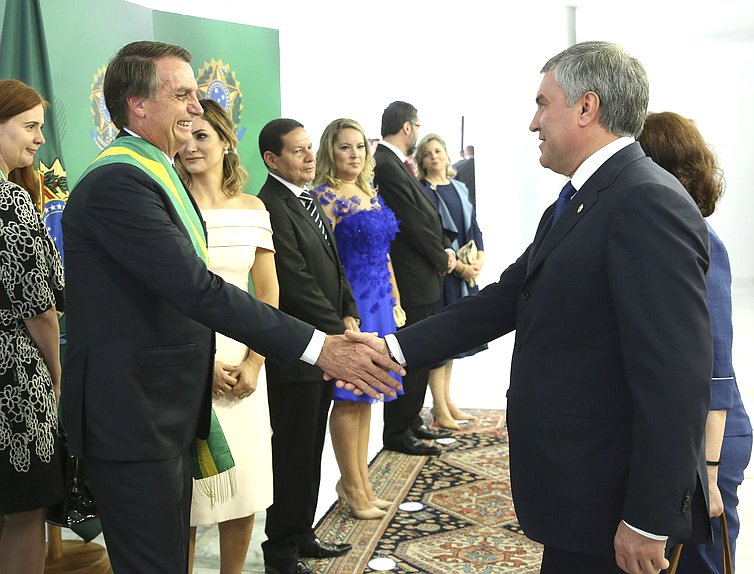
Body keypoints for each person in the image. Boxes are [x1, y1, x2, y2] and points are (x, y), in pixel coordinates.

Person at [347, 41, 713, 574]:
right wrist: (392, 348)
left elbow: (676, 377)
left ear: (586, 108)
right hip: (577, 491)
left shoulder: (644, 200)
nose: (533, 122)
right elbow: (501, 300)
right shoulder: (580, 199)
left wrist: (649, 517)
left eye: (543, 103)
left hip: (612, 503)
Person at [60, 41, 403, 574]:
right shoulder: (120, 183)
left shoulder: (152, 173)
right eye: (183, 95)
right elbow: (198, 289)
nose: (197, 107)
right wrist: (317, 348)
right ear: (139, 106)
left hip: (161, 406)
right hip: (134, 413)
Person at [638, 111, 752, 573]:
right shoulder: (658, 235)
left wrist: (706, 475)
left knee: (700, 562)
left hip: (711, 442)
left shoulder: (702, 242)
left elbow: (717, 369)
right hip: (685, 437)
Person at [257, 118, 366, 574]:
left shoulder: (306, 198)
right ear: (272, 159)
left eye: (308, 148)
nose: (308, 156)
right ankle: (280, 550)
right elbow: (295, 282)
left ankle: (302, 533)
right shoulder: (270, 205)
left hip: (325, 343)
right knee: (293, 452)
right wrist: (336, 331)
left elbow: (334, 267)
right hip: (299, 349)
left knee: (309, 450)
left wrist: (348, 311)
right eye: (298, 150)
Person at [174, 98, 275, 573]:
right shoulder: (169, 204)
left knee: (245, 487)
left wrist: (255, 361)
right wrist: (199, 364)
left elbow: (268, 295)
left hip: (244, 362)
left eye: (202, 136)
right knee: (188, 498)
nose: (191, 145)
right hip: (188, 357)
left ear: (225, 141)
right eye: (184, 134)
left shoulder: (254, 208)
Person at [311, 118, 403, 520]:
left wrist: (397, 297)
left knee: (369, 396)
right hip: (353, 305)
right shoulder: (323, 197)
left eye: (360, 148)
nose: (354, 155)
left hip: (381, 301)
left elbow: (384, 253)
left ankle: (360, 483)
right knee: (350, 396)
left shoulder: (369, 191)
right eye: (345, 147)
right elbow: (324, 262)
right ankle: (351, 485)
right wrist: (340, 314)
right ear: (330, 150)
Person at [0, 79, 64, 574]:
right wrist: (57, 372)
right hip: (14, 379)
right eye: (30, 126)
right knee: (23, 511)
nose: (40, 139)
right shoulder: (12, 203)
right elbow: (38, 307)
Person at [373, 101, 455, 456]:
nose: (419, 134)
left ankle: (412, 420)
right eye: (418, 127)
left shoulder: (398, 164)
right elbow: (412, 221)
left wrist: (444, 249)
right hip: (411, 275)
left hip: (423, 274)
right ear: (408, 127)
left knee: (420, 354)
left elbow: (426, 214)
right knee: (407, 355)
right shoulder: (387, 164)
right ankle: (397, 430)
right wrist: (440, 257)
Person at [415, 133, 486, 430]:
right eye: (428, 153)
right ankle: (438, 409)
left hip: (464, 271)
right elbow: (435, 239)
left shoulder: (459, 187)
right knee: (439, 342)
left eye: (438, 151)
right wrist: (459, 268)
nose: (434, 157)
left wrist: (479, 257)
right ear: (422, 160)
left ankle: (448, 400)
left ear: (446, 155)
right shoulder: (423, 190)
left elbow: (473, 227)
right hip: (442, 274)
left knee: (452, 342)